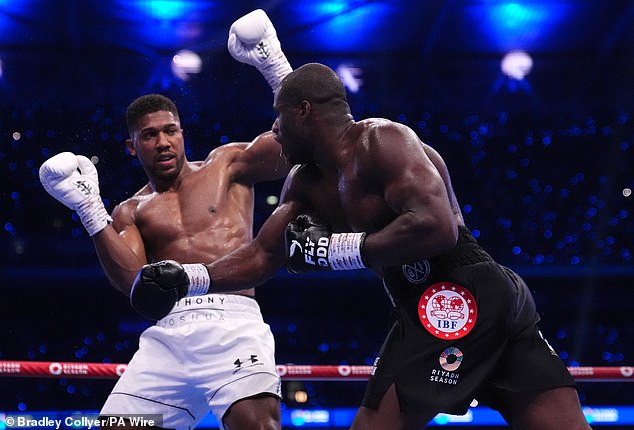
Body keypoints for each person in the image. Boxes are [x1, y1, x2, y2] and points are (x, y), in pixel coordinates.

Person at [135, 62, 592, 429]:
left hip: (456, 292)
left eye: (278, 116)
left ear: (303, 112)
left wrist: (339, 250)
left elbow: (437, 228)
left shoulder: (384, 141)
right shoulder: (305, 181)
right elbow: (262, 256)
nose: (273, 130)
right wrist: (191, 277)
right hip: (448, 302)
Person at [38, 10, 294, 430]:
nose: (163, 141)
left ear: (182, 133)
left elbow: (300, 146)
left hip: (232, 319)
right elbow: (132, 284)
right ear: (131, 145)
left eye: (170, 130)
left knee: (257, 426)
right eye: (150, 135)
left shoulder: (226, 165)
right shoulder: (130, 210)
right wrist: (89, 209)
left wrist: (274, 69)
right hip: (168, 335)